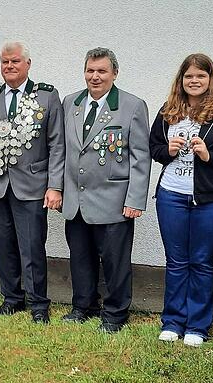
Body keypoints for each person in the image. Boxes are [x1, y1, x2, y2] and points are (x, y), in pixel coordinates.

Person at [0, 41, 64, 324]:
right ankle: (11, 299)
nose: (9, 66)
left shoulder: (46, 96)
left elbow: (57, 144)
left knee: (32, 246)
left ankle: (38, 304)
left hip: (32, 186)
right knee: (3, 245)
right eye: (5, 62)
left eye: (15, 61)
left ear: (28, 64)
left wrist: (54, 185)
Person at [149, 53, 213, 345]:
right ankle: (173, 321)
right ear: (181, 80)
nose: (194, 81)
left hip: (210, 200)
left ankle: (197, 326)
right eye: (189, 76)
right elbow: (153, 147)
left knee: (202, 262)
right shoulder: (169, 110)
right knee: (176, 261)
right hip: (171, 195)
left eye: (200, 76)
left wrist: (208, 155)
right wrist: (169, 150)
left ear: (210, 79)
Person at [61, 47, 150, 333]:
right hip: (76, 199)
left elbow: (140, 158)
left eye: (101, 71)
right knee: (80, 257)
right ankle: (83, 305)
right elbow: (63, 151)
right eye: (90, 70)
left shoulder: (132, 106)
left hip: (113, 200)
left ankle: (115, 313)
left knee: (115, 262)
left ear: (114, 73)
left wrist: (135, 199)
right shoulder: (70, 102)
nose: (95, 76)